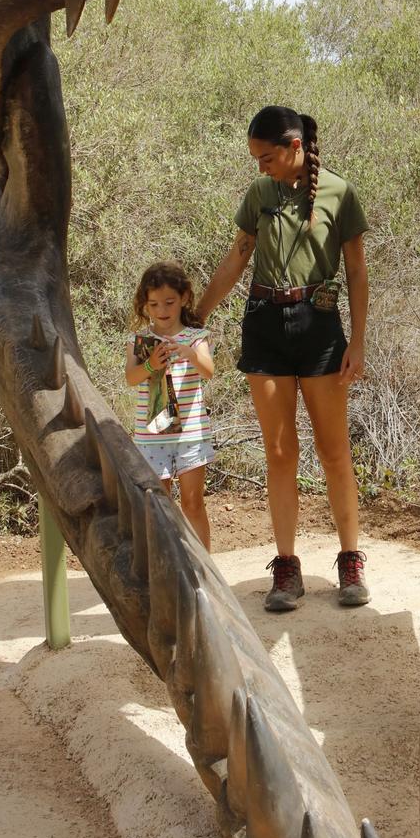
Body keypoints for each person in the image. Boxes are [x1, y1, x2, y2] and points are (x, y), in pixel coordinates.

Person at [196, 106, 369, 612]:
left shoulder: (339, 192)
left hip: (320, 327)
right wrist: (197, 314)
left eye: (267, 157)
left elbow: (356, 271)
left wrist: (357, 342)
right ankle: (287, 568)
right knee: (279, 453)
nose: (260, 167)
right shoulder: (260, 195)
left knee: (334, 452)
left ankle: (350, 560)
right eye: (255, 159)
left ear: (294, 146)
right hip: (264, 325)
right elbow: (238, 255)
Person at [126, 262, 215, 550]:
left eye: (169, 302)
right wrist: (151, 364)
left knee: (192, 503)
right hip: (150, 437)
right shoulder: (140, 341)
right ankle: (164, 568)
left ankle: (205, 571)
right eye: (153, 304)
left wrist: (189, 353)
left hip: (190, 435)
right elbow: (131, 377)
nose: (162, 310)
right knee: (158, 506)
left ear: (185, 298)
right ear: (145, 305)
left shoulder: (195, 336)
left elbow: (208, 371)